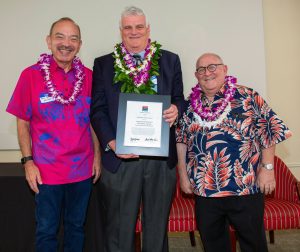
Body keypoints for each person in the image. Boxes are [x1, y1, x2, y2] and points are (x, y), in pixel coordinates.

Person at [90, 6, 184, 252]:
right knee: (119, 231)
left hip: (160, 161)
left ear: (148, 29)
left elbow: (180, 99)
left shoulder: (170, 60)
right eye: (128, 27)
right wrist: (112, 142)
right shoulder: (103, 64)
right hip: (120, 160)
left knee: (156, 231)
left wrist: (176, 109)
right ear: (120, 30)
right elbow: (97, 110)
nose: (134, 32)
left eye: (139, 27)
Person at [176, 53, 292, 252]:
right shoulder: (189, 106)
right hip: (205, 191)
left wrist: (268, 168)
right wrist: (183, 175)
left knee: (253, 243)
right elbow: (181, 140)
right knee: (213, 245)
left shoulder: (247, 96)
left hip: (244, 187)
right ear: (196, 75)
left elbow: (271, 130)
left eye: (213, 67)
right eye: (201, 69)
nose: (207, 73)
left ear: (225, 69)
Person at [6, 17, 101, 252]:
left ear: (79, 44)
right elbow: (22, 123)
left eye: (73, 38)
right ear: (49, 41)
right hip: (46, 172)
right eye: (60, 36)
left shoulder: (89, 77)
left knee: (76, 228)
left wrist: (97, 156)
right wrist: (28, 162)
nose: (66, 43)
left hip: (81, 170)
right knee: (46, 230)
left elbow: (93, 121)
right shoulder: (30, 75)